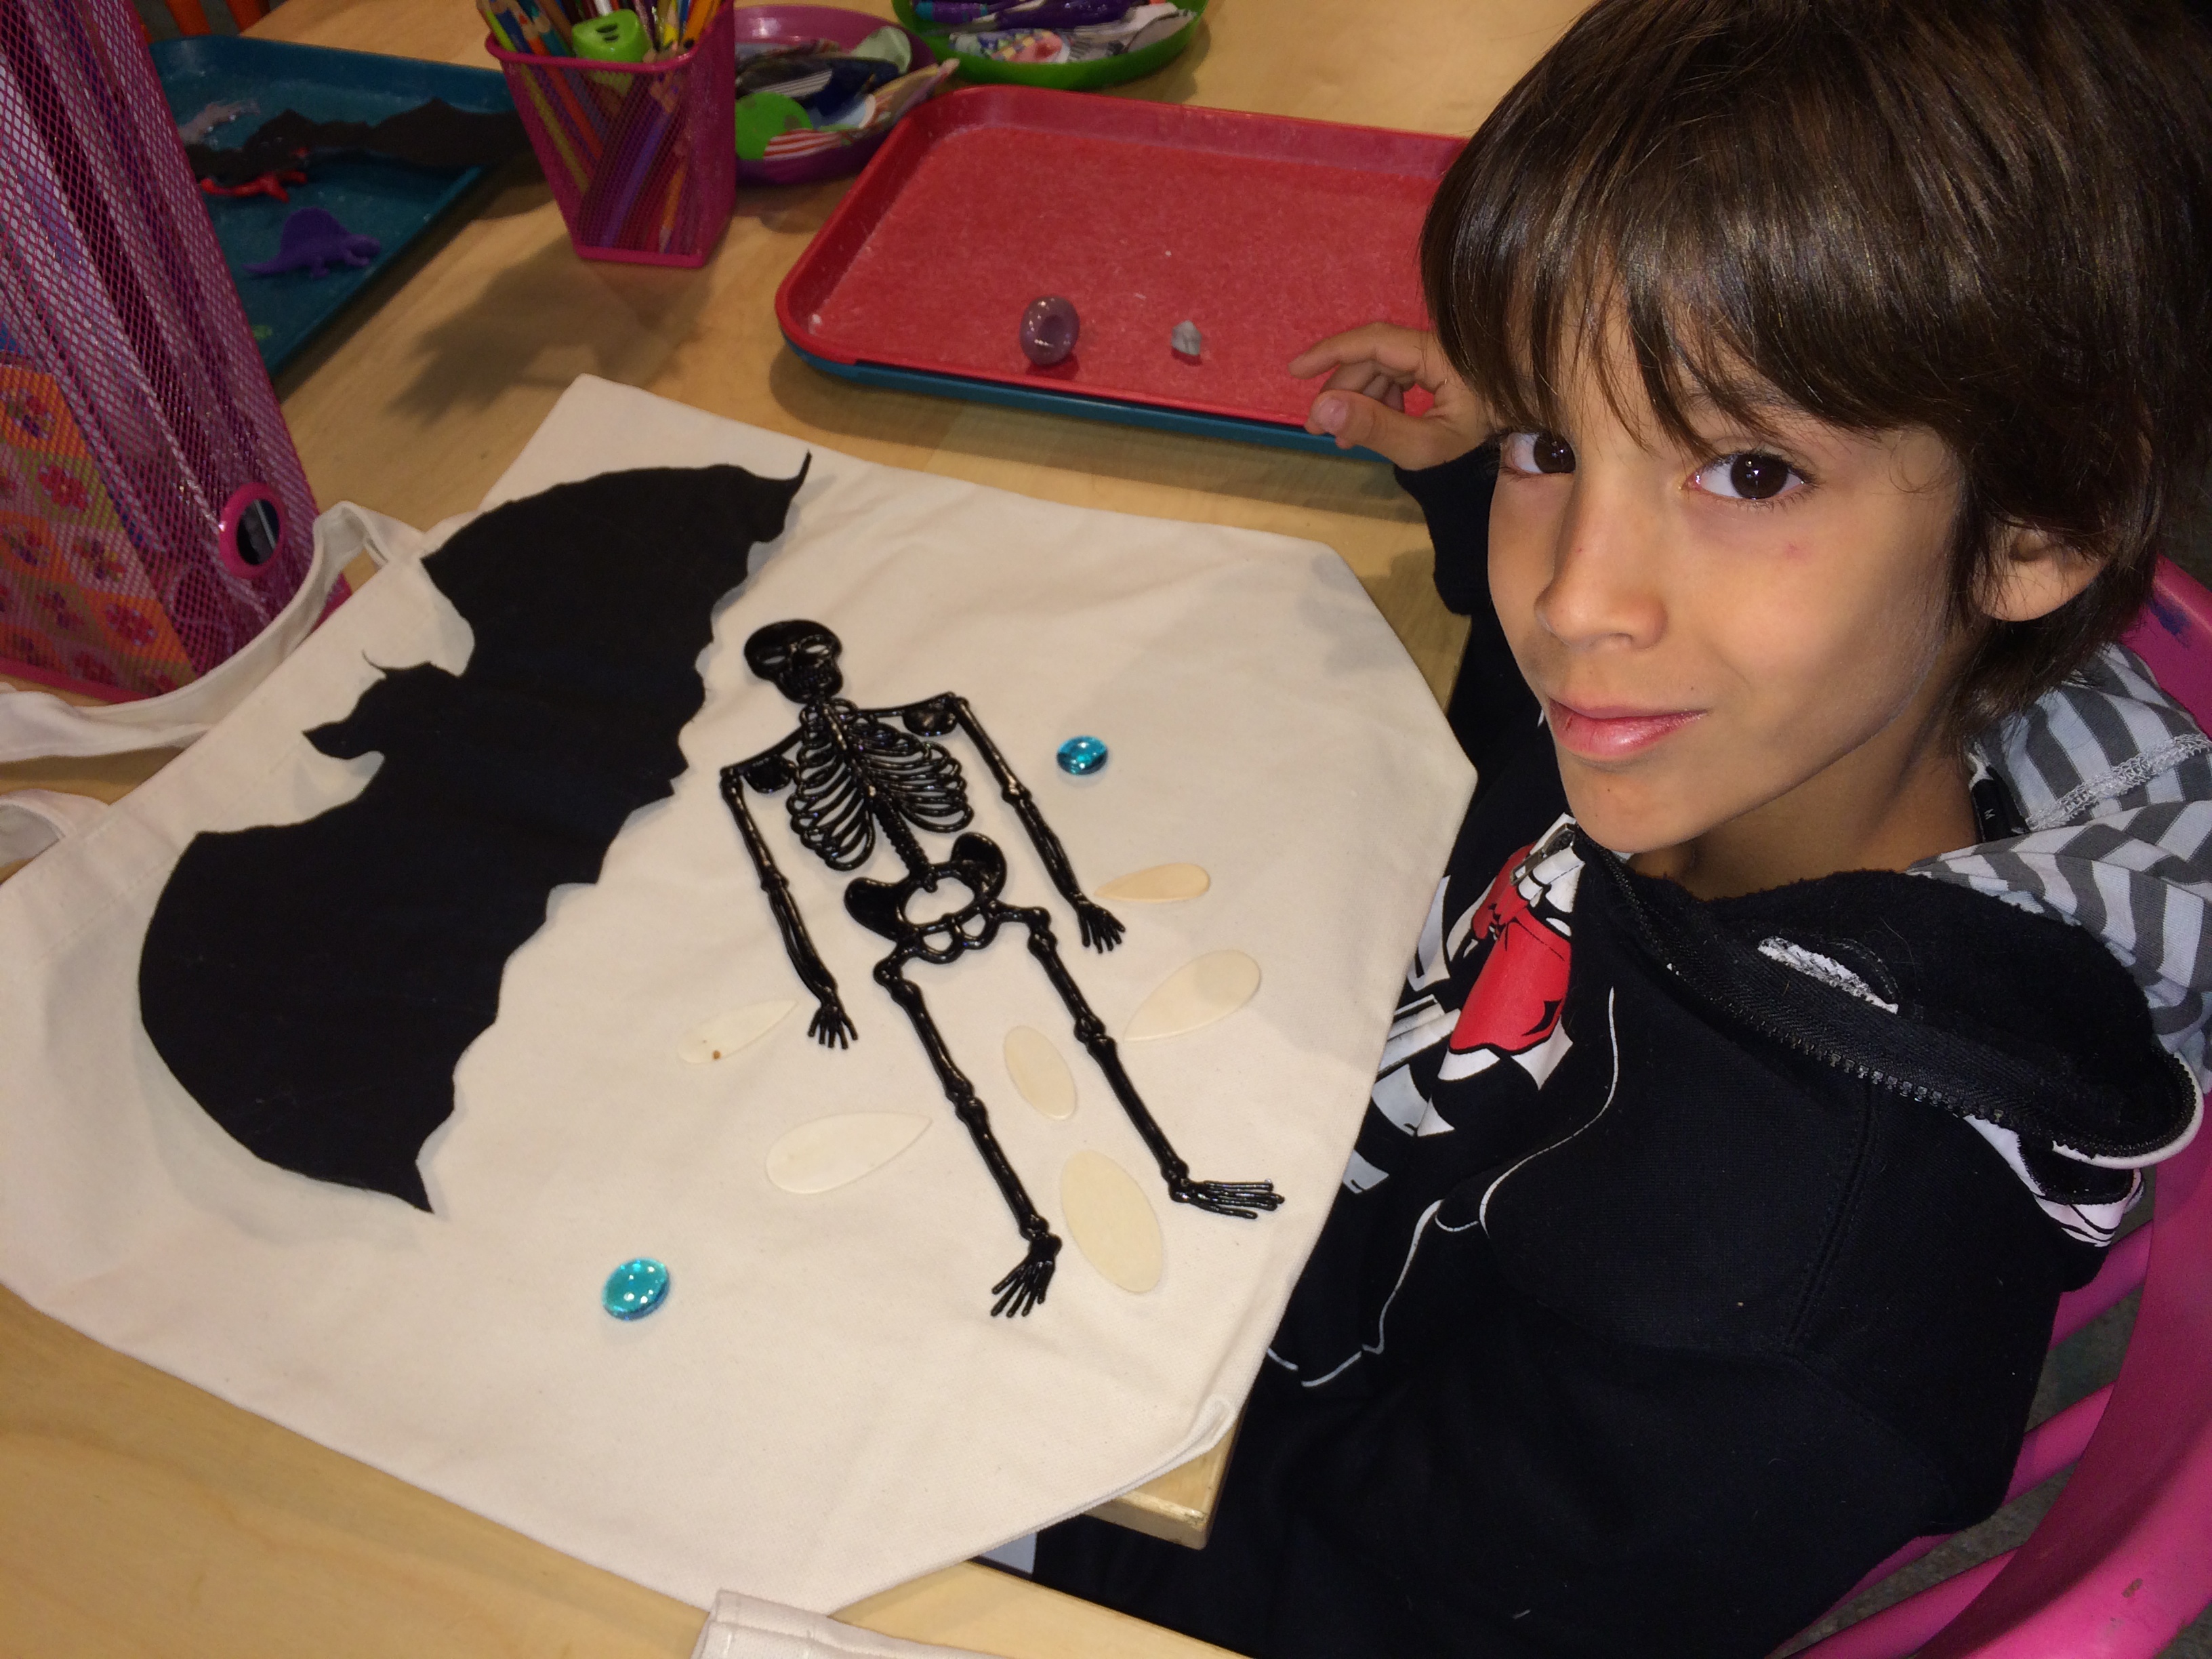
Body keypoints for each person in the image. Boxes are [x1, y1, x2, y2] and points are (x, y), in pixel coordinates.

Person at [1025, 1, 2212, 1654]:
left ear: (2039, 526)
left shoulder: (1774, 1323)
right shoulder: (1759, 733)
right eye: (1554, 444)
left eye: (1749, 475)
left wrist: (976, 1482)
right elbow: (1554, 697)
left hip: (1198, 1509)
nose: (1574, 601)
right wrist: (1478, 474)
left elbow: (1330, 1616)